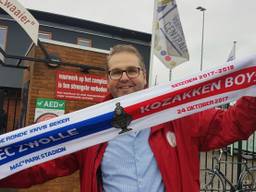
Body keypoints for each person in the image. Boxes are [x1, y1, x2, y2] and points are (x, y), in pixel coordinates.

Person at [0, 44, 256, 192]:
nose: (124, 77)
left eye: (131, 70)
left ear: (144, 75)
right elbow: (41, 164)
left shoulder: (180, 117)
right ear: (107, 79)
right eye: (116, 72)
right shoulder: (89, 127)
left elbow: (232, 125)